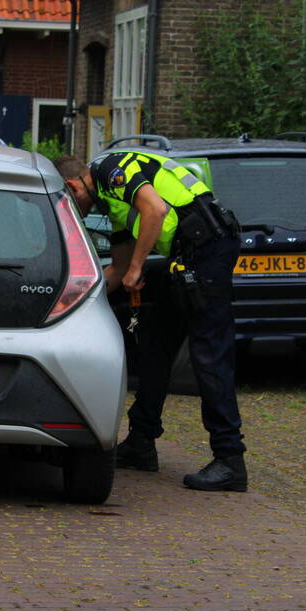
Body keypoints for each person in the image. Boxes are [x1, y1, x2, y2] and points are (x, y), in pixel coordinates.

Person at [54, 150, 247, 491]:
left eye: (67, 204)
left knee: (209, 354)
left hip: (207, 251)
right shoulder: (111, 201)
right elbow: (116, 268)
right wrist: (76, 301)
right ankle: (142, 442)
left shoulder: (111, 172)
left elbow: (155, 210)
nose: (70, 214)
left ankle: (230, 460)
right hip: (188, 256)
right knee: (156, 343)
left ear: (72, 186)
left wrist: (138, 268)